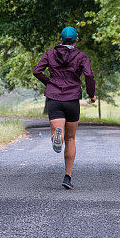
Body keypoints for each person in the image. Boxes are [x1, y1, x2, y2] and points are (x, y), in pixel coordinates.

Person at [33, 26, 96, 189]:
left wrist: (50, 83)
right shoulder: (81, 56)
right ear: (76, 40)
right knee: (71, 138)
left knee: (57, 131)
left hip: (54, 97)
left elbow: (37, 71)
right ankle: (67, 177)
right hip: (72, 99)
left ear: (61, 39)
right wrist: (91, 94)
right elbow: (89, 75)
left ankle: (56, 137)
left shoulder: (50, 54)